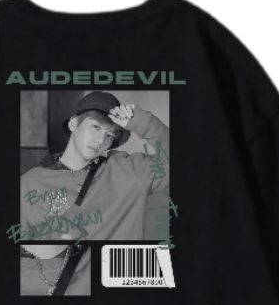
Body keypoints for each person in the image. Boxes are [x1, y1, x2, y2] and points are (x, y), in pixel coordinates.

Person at [17, 91, 170, 244]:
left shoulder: (130, 170)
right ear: (73, 124)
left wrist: (144, 123)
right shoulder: (30, 184)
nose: (101, 140)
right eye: (96, 127)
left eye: (109, 135)